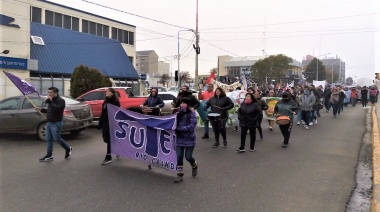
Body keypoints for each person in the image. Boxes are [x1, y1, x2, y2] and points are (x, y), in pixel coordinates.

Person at [36, 87, 72, 162]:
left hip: (56, 123)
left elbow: (56, 109)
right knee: (48, 139)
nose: (49, 94)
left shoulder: (61, 101)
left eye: (51, 93)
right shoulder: (50, 101)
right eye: (48, 92)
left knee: (56, 138)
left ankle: (68, 148)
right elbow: (50, 110)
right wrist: (41, 109)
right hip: (49, 122)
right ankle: (49, 155)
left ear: (55, 93)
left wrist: (51, 102)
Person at [174, 97, 198, 183]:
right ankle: (180, 175)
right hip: (180, 138)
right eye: (181, 103)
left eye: (184, 103)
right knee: (179, 157)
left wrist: (180, 129)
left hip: (189, 139)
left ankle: (194, 165)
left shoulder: (192, 113)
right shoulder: (178, 113)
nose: (182, 104)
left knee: (188, 157)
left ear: (187, 104)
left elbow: (192, 126)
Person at [97, 88, 121, 165]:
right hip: (105, 122)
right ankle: (118, 149)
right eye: (106, 91)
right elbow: (103, 113)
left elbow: (117, 113)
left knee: (109, 139)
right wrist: (100, 123)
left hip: (112, 123)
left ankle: (108, 157)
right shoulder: (105, 102)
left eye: (108, 91)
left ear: (112, 93)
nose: (106, 92)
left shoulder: (115, 102)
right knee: (107, 139)